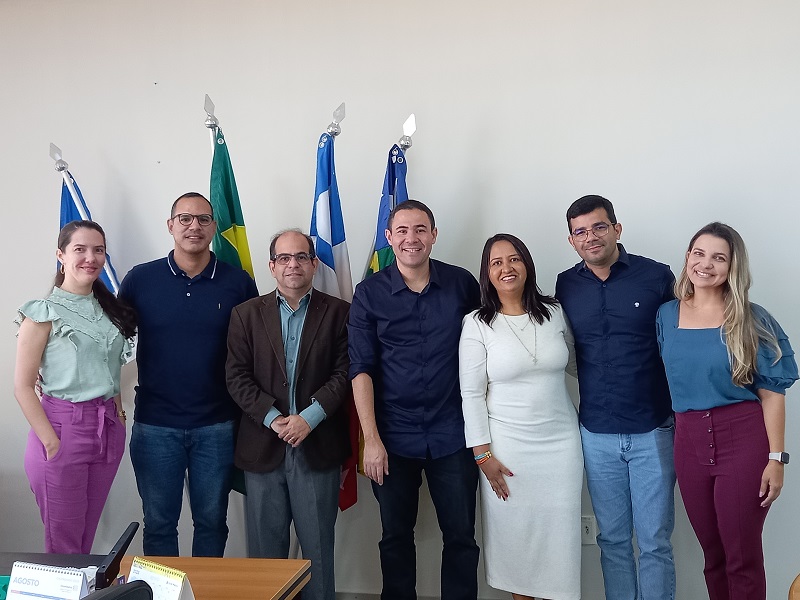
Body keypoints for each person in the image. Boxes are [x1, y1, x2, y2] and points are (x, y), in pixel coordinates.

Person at [656, 222, 797, 600]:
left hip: (743, 440)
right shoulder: (666, 315)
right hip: (688, 443)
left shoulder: (752, 318)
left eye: (719, 257)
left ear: (733, 266)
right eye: (699, 254)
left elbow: (772, 394)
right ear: (687, 257)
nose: (706, 264)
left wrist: (777, 459)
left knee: (741, 557)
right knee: (713, 555)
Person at [348, 199, 481, 599]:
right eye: (402, 231)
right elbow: (360, 368)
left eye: (420, 229)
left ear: (434, 235)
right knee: (394, 537)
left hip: (453, 434)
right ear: (389, 238)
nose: (412, 238)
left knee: (461, 537)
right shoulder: (369, 293)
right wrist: (371, 440)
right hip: (392, 437)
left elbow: (485, 350)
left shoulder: (462, 284)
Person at [119, 192, 258, 556]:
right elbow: (108, 338)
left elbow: (258, 346)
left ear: (214, 226)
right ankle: (161, 588)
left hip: (217, 426)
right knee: (159, 524)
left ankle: (203, 588)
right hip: (155, 425)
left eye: (202, 219)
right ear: (170, 225)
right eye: (185, 219)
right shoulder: (140, 279)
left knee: (212, 522)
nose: (193, 226)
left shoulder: (238, 282)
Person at [555, 194, 677, 599]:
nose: (590, 237)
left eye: (599, 227)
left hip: (652, 428)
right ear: (571, 240)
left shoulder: (656, 276)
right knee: (612, 540)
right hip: (597, 432)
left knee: (655, 541)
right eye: (580, 232)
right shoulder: (566, 284)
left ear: (616, 228)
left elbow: (680, 341)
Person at [226, 229, 350, 600]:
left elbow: (345, 372)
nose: (292, 264)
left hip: (317, 445)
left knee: (317, 554)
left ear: (314, 264)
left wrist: (309, 417)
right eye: (284, 258)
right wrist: (272, 418)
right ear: (272, 266)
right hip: (263, 445)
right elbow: (236, 376)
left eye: (300, 257)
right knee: (266, 556)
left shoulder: (340, 312)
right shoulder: (246, 314)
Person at [459, 233, 582, 600]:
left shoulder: (555, 312)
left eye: (513, 259)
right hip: (507, 451)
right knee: (518, 544)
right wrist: (482, 455)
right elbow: (471, 394)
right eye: (496, 263)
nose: (506, 268)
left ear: (526, 264)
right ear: (487, 273)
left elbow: (578, 364)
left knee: (560, 541)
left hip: (561, 447)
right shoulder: (477, 323)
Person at [15, 220, 137, 553]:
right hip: (61, 430)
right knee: (64, 545)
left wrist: (119, 416)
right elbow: (23, 387)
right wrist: (51, 442)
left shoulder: (110, 310)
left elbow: (111, 368)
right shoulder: (43, 312)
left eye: (98, 250)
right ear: (61, 255)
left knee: (85, 538)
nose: (90, 258)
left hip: (107, 430)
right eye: (79, 249)